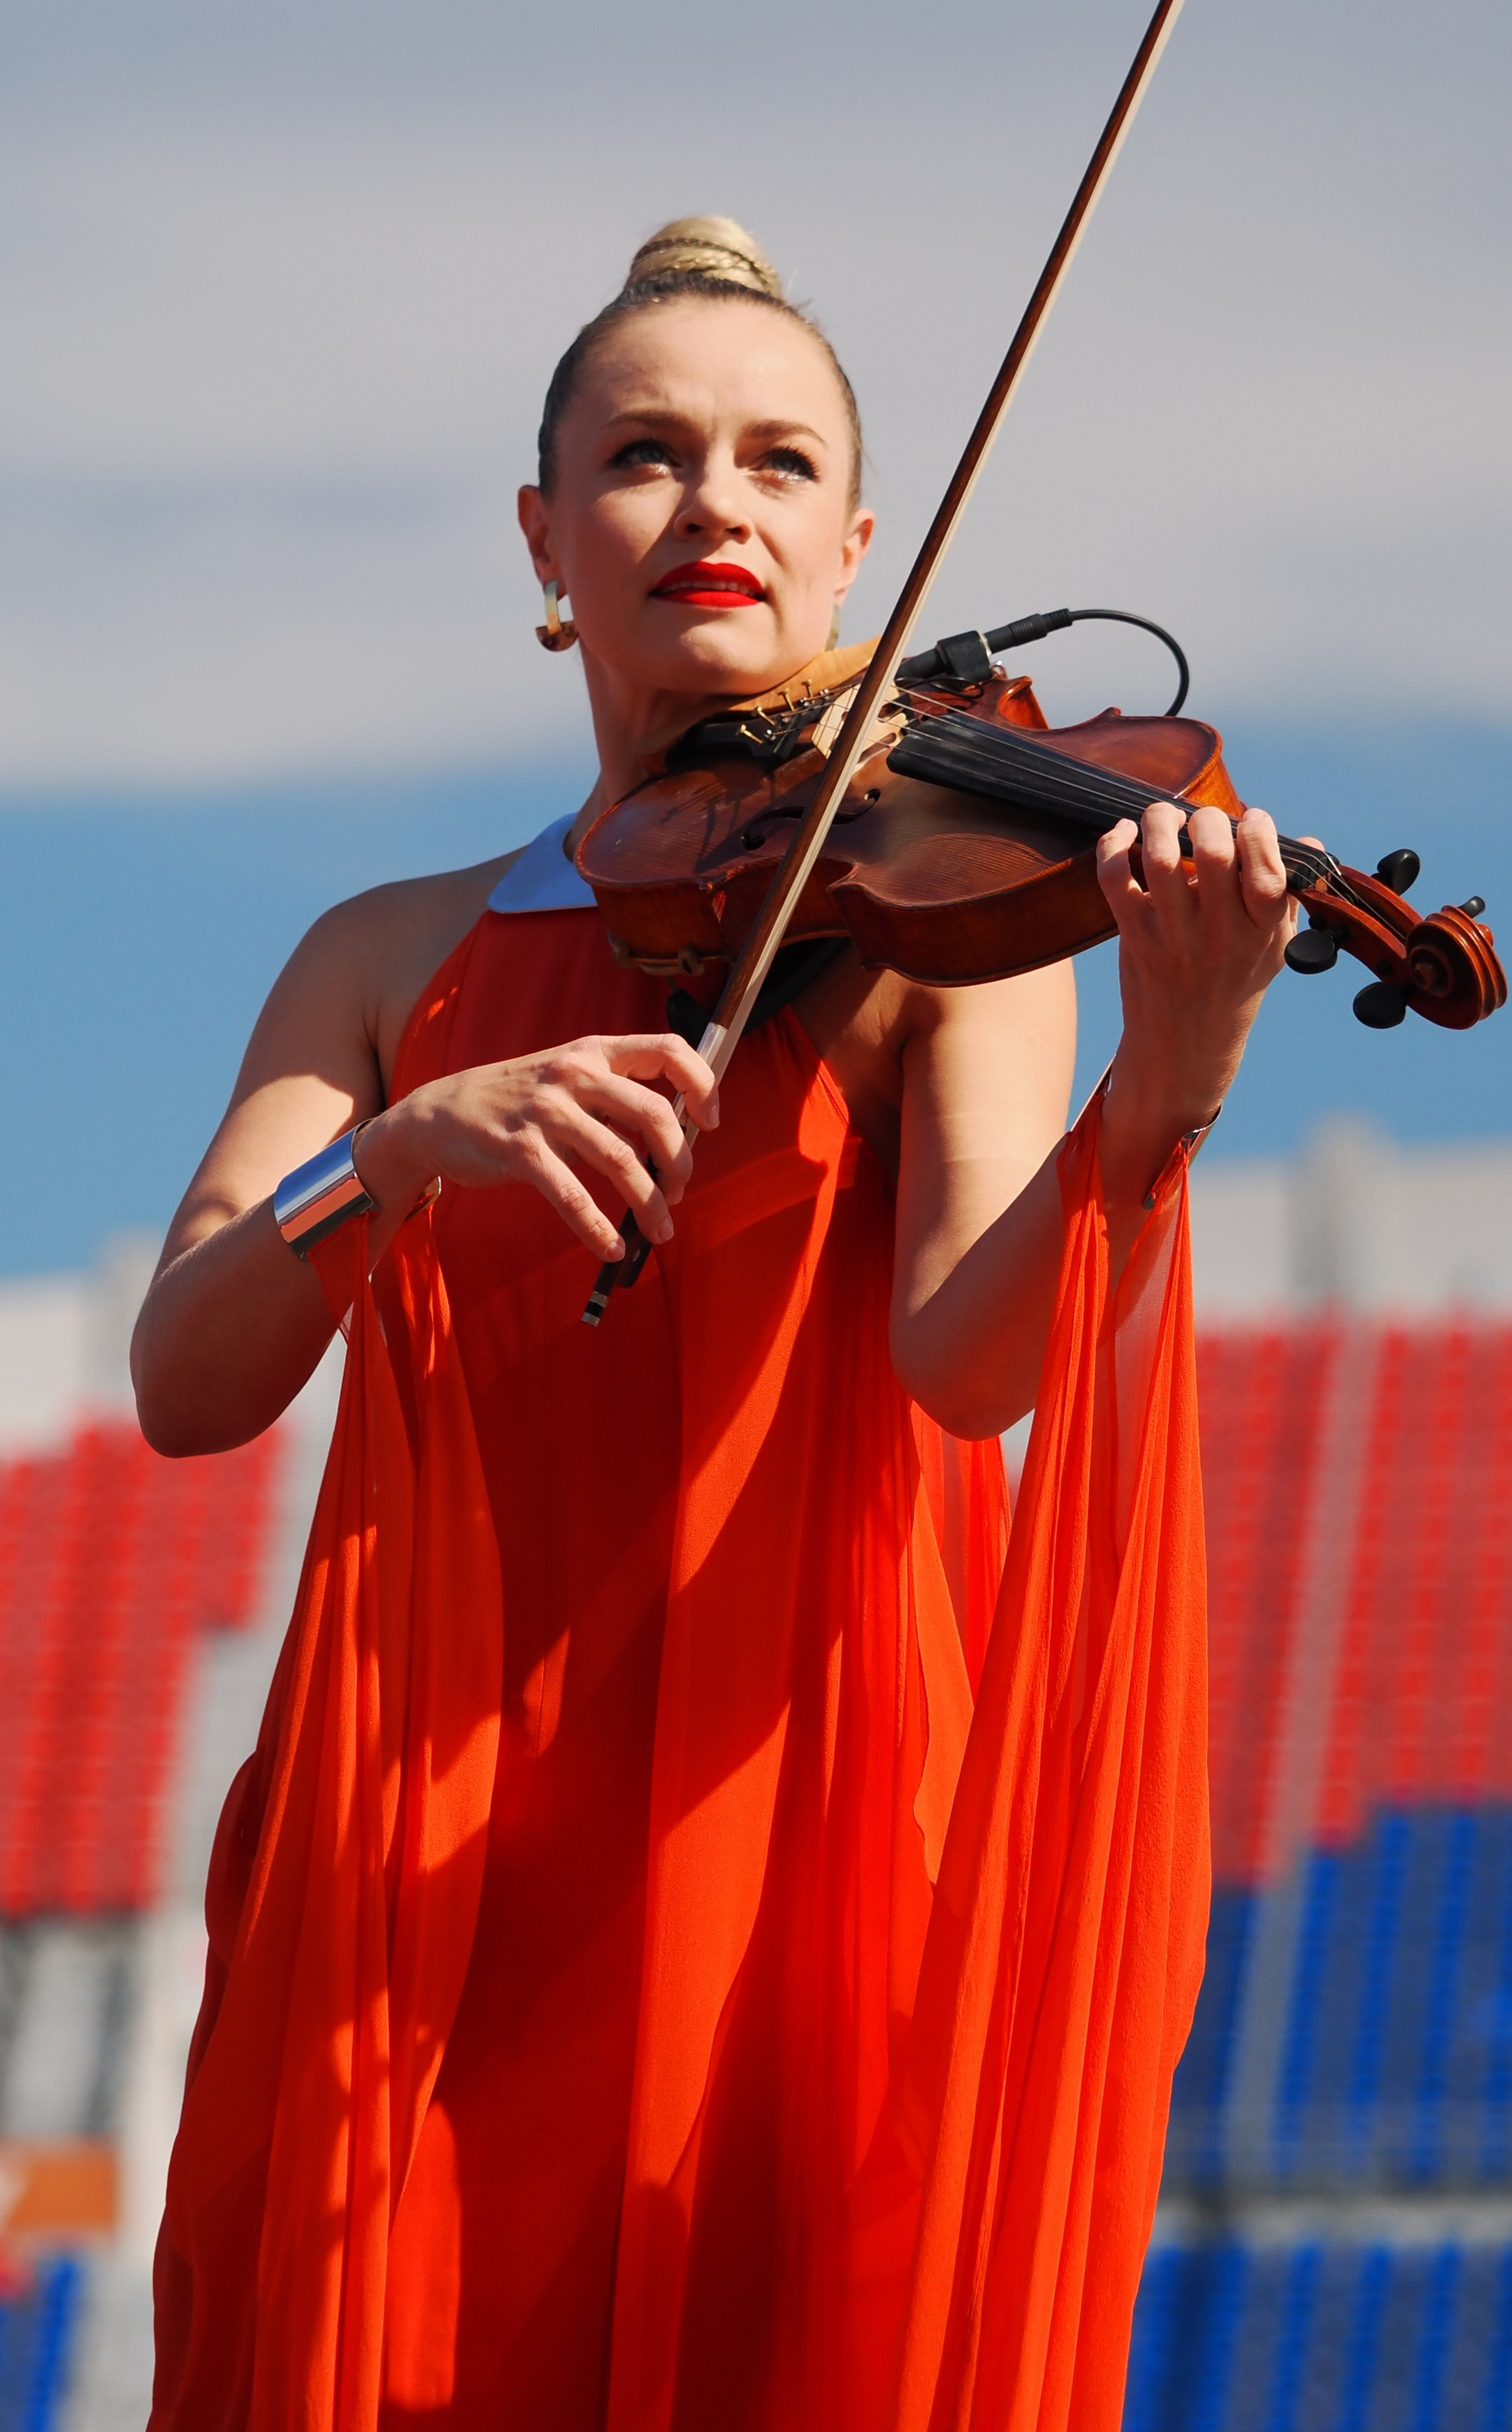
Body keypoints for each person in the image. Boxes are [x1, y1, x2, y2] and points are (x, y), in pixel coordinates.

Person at [138, 219, 1294, 2432]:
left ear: (860, 543)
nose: (714, 503)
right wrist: (397, 1155)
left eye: (780, 461)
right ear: (544, 538)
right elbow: (187, 1375)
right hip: (422, 1853)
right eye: (645, 454)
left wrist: (1171, 1079)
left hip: (801, 1830)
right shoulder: (384, 957)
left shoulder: (941, 922)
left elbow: (971, 1361)